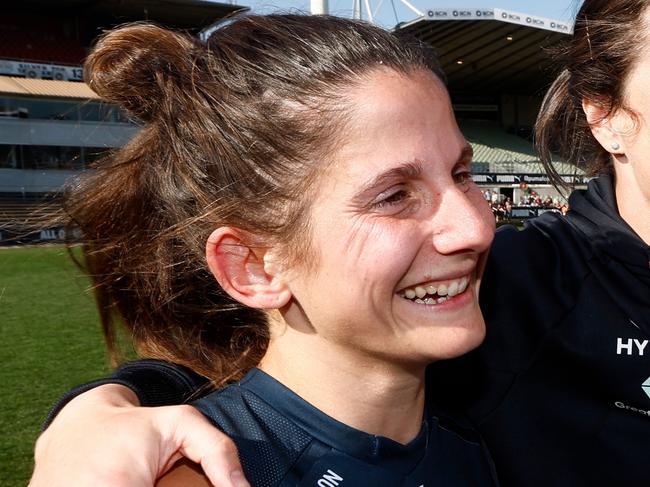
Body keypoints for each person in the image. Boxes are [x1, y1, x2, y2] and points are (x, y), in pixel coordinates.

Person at [31, 0, 650, 485]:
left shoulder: (462, 446)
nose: (476, 227)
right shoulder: (537, 288)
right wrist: (94, 415)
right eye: (393, 195)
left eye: (462, 173)